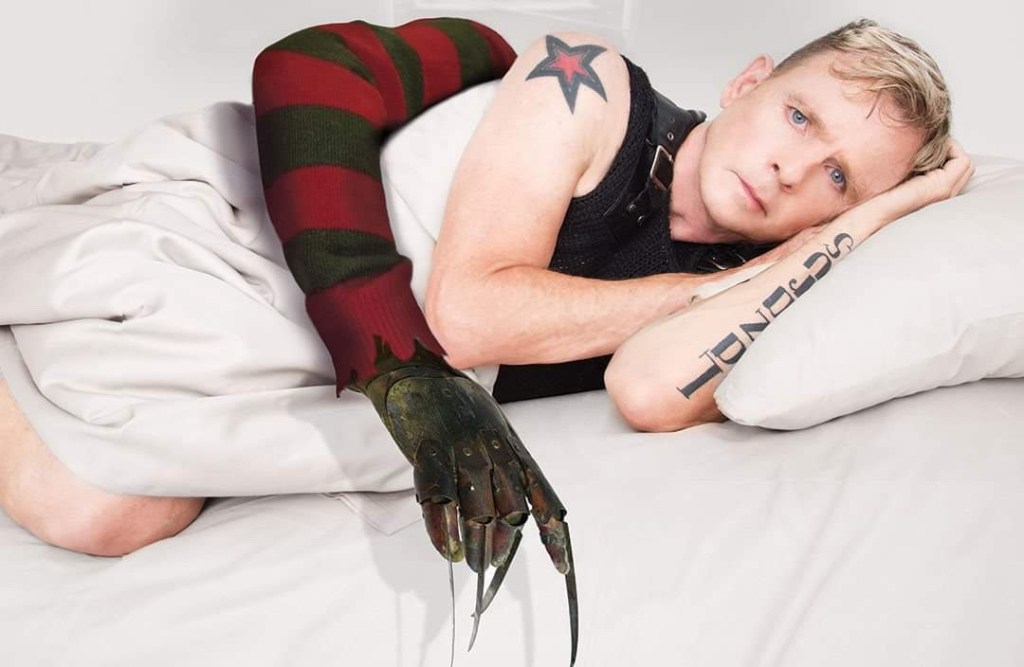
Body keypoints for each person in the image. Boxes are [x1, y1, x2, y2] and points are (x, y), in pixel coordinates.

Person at [0, 16, 970, 579]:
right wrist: (745, 272)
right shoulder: (594, 85)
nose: (793, 167)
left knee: (112, 511)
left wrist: (848, 234)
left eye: (839, 178)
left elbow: (646, 389)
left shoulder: (742, 283)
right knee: (100, 506)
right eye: (798, 115)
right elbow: (465, 315)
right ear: (748, 82)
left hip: (339, 367)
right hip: (263, 246)